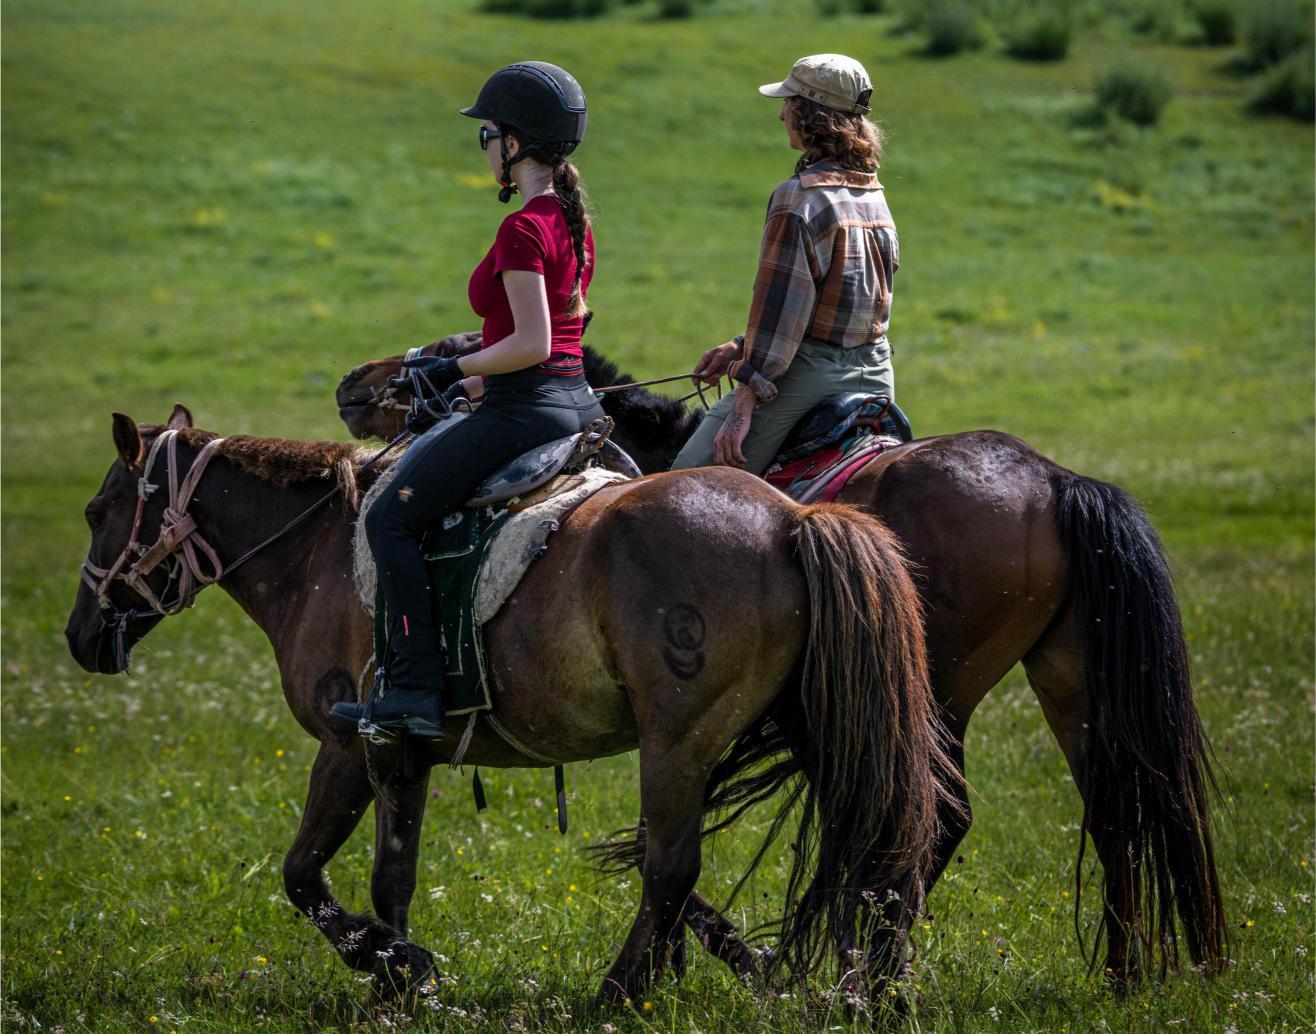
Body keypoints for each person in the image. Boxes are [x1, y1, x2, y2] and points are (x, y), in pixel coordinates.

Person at [333, 61, 604, 738]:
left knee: (388, 521)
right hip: (574, 402)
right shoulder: (573, 219)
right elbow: (566, 336)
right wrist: (479, 374)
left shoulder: (523, 228)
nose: (484, 147)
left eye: (486, 133)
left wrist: (452, 370)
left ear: (514, 142)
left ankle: (416, 693)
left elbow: (534, 342)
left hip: (525, 409)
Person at [671, 54, 899, 475]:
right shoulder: (873, 193)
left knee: (684, 481)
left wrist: (742, 407)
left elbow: (781, 313)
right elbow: (835, 307)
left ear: (810, 114)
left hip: (811, 376)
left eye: (789, 102)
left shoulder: (798, 197)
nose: (781, 114)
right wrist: (742, 346)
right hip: (878, 374)